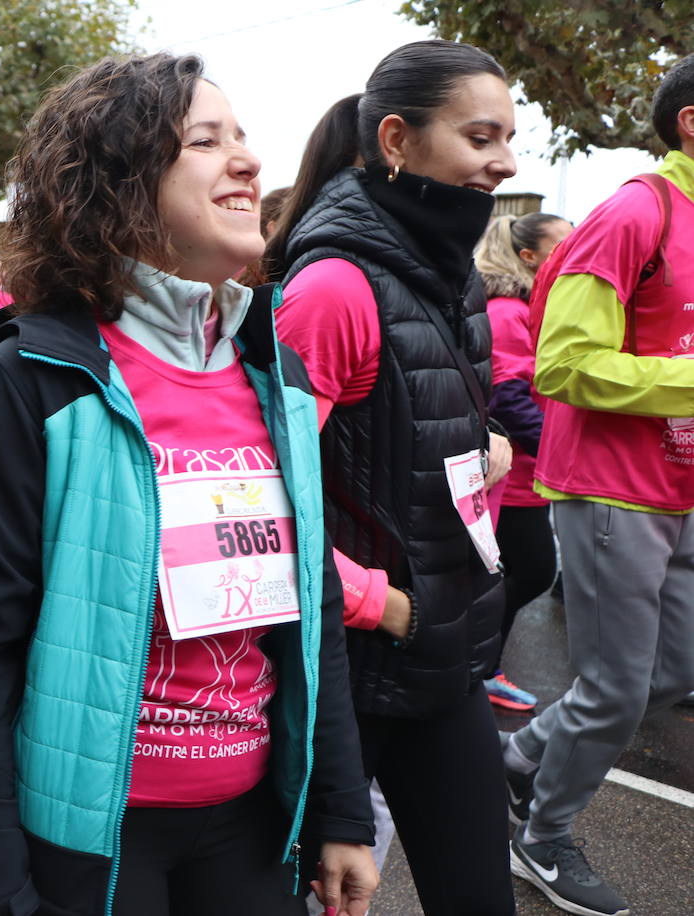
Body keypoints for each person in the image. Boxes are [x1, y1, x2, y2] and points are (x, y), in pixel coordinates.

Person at [0, 53, 377, 916]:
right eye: (206, 140)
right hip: (90, 841)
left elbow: (312, 611)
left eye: (244, 138)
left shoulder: (279, 373)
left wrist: (342, 809)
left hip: (253, 828)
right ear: (118, 183)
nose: (249, 161)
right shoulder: (27, 382)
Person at [267, 40, 519, 915]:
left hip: (443, 660)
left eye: (509, 138)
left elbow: (413, 419)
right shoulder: (333, 289)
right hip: (348, 671)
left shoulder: (454, 276)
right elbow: (261, 497)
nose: (505, 162)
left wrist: (488, 443)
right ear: (398, 141)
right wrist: (382, 605)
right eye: (480, 137)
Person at [502, 53, 694, 916]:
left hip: (680, 485)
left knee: (670, 673)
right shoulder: (634, 211)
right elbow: (563, 363)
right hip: (611, 486)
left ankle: (518, 757)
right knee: (616, 687)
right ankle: (540, 837)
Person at [474, 212, 572, 713]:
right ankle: (476, 669)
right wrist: (564, 449)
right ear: (528, 256)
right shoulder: (510, 312)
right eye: (563, 243)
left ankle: (479, 669)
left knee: (515, 573)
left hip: (527, 474)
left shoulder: (530, 306)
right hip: (511, 477)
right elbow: (509, 399)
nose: (575, 249)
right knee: (532, 571)